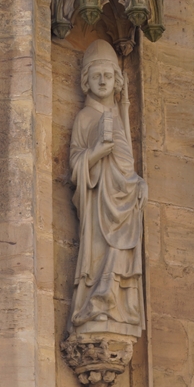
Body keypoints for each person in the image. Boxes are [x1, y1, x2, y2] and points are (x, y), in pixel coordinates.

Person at [69, 39, 147, 337]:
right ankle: (96, 301)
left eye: (109, 76)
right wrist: (97, 152)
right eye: (97, 75)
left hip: (124, 201)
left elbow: (126, 162)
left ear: (118, 81)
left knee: (121, 253)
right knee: (101, 253)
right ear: (85, 81)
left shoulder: (117, 116)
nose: (103, 81)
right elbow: (76, 163)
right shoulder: (85, 118)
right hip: (98, 203)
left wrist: (137, 183)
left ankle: (116, 303)